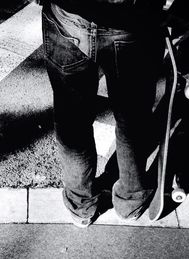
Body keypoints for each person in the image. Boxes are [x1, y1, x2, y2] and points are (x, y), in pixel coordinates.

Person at [37, 0, 167, 228]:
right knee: (133, 119)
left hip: (69, 17)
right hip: (132, 20)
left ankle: (81, 204)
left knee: (72, 121)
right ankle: (130, 201)